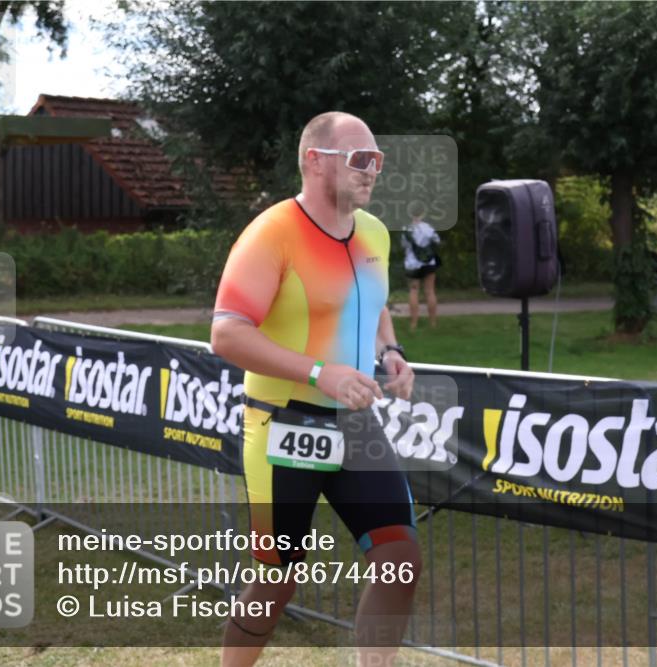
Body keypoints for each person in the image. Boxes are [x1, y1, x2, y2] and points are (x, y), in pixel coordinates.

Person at [211, 111, 420, 667]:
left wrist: (390, 353)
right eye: (359, 159)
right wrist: (317, 372)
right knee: (278, 582)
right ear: (314, 160)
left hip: (354, 422)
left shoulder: (373, 232)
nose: (372, 170)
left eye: (378, 159)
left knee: (401, 556)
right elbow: (226, 334)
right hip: (282, 423)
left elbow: (371, 308)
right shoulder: (271, 233)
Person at [401, 202, 440, 330]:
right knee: (430, 291)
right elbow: (437, 241)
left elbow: (404, 245)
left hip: (412, 264)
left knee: (413, 291)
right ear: (423, 213)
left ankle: (413, 324)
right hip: (429, 263)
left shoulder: (406, 229)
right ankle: (433, 323)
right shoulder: (428, 228)